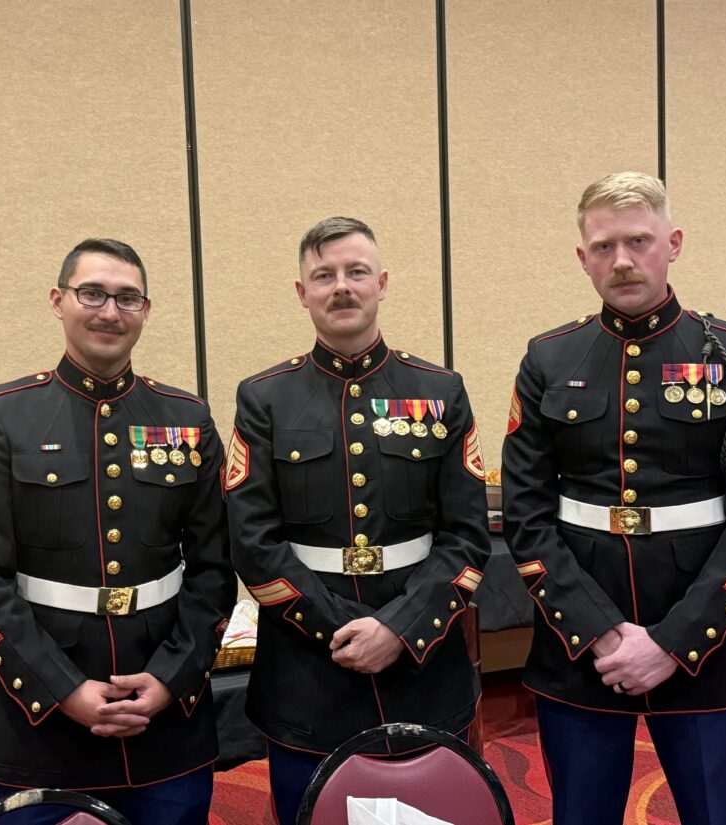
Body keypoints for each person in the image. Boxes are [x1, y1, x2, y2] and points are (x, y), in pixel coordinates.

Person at [501, 171, 726, 825]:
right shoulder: (549, 357)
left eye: (639, 241)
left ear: (673, 243)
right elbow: (526, 514)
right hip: (580, 643)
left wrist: (672, 642)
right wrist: (600, 632)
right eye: (604, 246)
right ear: (583, 257)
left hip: (707, 639)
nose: (623, 261)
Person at [0, 238, 234, 824]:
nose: (110, 311)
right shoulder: (2, 415)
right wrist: (63, 690)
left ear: (146, 310)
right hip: (35, 722)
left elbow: (214, 567)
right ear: (58, 301)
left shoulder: (186, 418)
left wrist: (170, 678)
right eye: (92, 294)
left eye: (127, 298)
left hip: (163, 717)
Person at [224, 217, 491, 824]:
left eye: (356, 272)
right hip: (308, 668)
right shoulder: (265, 398)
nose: (341, 286)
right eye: (324, 276)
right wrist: (341, 631)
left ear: (382, 283)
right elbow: (252, 541)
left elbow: (467, 537)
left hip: (423, 660)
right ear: (302, 293)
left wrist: (398, 629)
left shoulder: (439, 390)